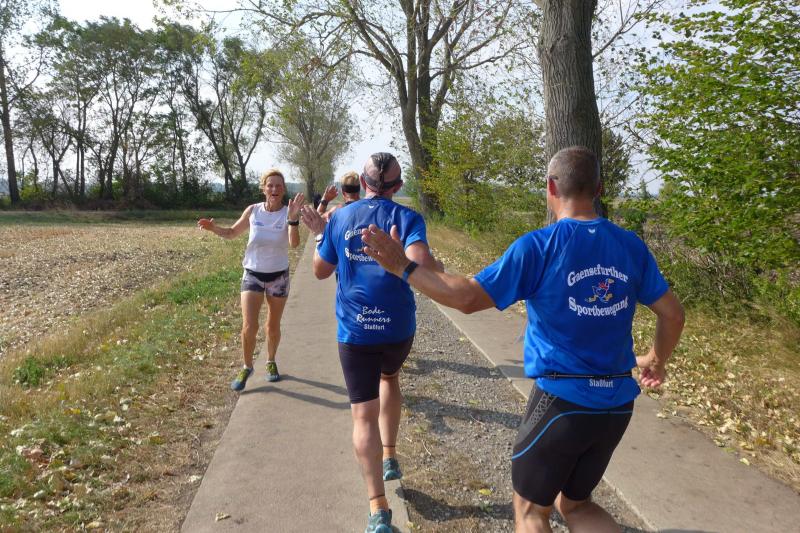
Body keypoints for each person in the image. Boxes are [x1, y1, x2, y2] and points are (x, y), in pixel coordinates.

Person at [360, 146, 685, 533]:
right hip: (617, 405)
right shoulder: (631, 246)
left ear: (551, 187)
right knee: (577, 505)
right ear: (599, 189)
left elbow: (467, 299)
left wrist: (403, 266)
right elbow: (673, 314)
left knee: (531, 512)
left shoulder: (539, 246)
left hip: (563, 402)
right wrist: (655, 359)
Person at [299, 153, 442, 533]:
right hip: (397, 328)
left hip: (356, 331)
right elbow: (422, 263)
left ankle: (378, 508)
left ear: (362, 183)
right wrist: (435, 266)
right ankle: (390, 456)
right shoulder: (408, 218)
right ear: (398, 186)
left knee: (363, 415)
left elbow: (320, 271)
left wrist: (320, 235)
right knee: (390, 378)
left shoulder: (340, 217)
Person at [198, 169, 304, 391]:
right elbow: (231, 233)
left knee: (272, 325)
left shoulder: (289, 212)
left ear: (283, 189)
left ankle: (270, 361)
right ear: (263, 188)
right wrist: (213, 228)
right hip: (253, 274)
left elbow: (294, 244)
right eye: (270, 185)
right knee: (249, 325)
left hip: (278, 276)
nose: (274, 189)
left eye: (278, 186)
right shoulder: (253, 210)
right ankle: (247, 366)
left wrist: (293, 220)